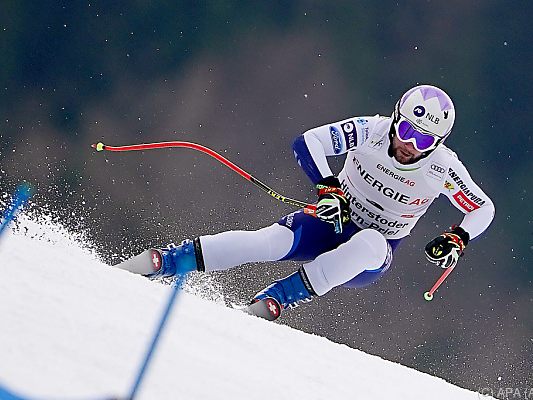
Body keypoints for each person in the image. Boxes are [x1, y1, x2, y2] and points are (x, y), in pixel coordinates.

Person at [116, 84, 495, 321]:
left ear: (439, 145)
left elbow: (482, 208)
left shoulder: (443, 168)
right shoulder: (372, 130)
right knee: (268, 242)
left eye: (425, 141)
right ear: (396, 119)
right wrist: (327, 187)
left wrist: (458, 238)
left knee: (372, 242)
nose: (410, 146)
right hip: (332, 219)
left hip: (370, 254)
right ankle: (167, 261)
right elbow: (308, 142)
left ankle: (279, 298)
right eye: (408, 130)